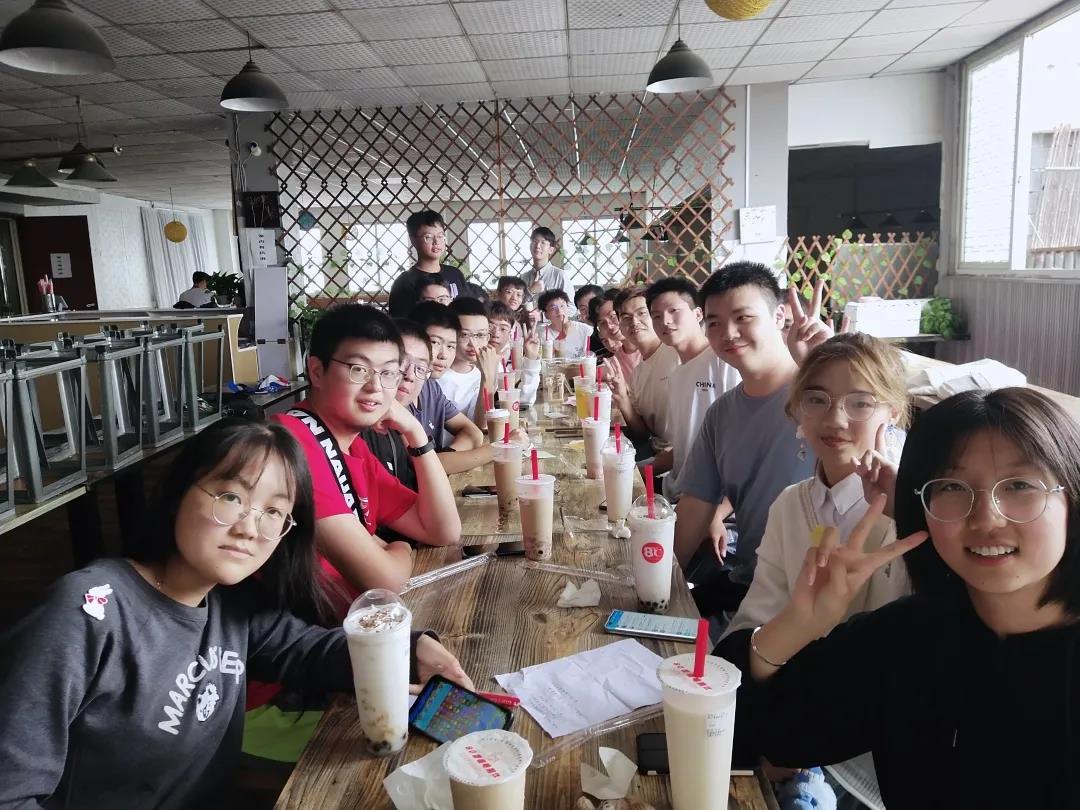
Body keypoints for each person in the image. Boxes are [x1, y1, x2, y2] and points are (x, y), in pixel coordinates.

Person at [0, 418, 472, 808]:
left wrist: (407, 649)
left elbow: (309, 651)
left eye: (274, 512)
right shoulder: (88, 611)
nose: (250, 528)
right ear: (178, 492)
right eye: (231, 498)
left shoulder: (231, 604)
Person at [727, 386, 1080, 808]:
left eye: (1020, 484)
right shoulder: (908, 638)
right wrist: (797, 624)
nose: (986, 518)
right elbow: (746, 729)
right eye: (952, 486)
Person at [716, 333, 911, 807]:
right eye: (817, 399)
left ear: (891, 413)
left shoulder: (914, 513)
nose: (836, 419)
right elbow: (751, 626)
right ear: (797, 411)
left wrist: (904, 512)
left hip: (875, 758)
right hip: (790, 723)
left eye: (860, 402)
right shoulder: (790, 505)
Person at [274, 304, 460, 603]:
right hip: (309, 626)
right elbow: (385, 580)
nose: (376, 387)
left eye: (388, 373)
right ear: (317, 371)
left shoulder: (354, 447)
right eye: (359, 369)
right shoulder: (292, 442)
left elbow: (443, 531)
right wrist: (401, 547)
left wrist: (415, 432)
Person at [674, 264, 828, 621]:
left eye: (743, 317)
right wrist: (660, 583)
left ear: (779, 316)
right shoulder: (721, 415)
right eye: (714, 323)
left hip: (818, 596)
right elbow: (695, 507)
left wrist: (824, 367)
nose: (728, 333)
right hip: (751, 585)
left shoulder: (824, 400)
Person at [645, 277, 740, 499]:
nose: (665, 321)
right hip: (675, 489)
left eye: (673, 311)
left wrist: (719, 510)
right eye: (656, 316)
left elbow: (740, 443)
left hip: (712, 499)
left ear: (698, 314)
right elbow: (684, 448)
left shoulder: (723, 361)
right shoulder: (677, 376)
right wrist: (640, 471)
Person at [603, 286, 679, 469]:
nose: (634, 322)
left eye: (641, 313)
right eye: (626, 318)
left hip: (680, 461)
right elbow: (642, 432)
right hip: (655, 454)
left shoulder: (677, 354)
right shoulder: (637, 374)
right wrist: (622, 398)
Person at [387, 210, 467, 318]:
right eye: (428, 237)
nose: (436, 242)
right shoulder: (404, 283)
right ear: (413, 240)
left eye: (440, 236)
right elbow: (400, 323)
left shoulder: (455, 274)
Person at [434, 297, 499, 430]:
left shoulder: (482, 374)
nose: (473, 344)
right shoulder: (435, 374)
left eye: (480, 335)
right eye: (464, 335)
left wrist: (487, 377)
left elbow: (483, 425)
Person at [487, 300, 541, 407]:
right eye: (490, 327)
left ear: (509, 334)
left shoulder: (500, 367)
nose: (496, 334)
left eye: (503, 329)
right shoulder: (469, 365)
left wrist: (531, 357)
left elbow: (521, 402)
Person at [520, 226, 573, 303]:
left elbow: (571, 307)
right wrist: (530, 292)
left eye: (543, 243)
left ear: (551, 250)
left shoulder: (560, 276)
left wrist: (546, 312)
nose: (537, 246)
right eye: (535, 241)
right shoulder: (523, 277)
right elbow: (516, 306)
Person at [537, 289, 593, 359]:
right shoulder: (541, 334)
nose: (559, 311)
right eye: (553, 308)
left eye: (562, 306)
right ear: (546, 315)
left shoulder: (586, 330)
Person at [595, 289, 639, 374]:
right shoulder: (617, 358)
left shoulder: (652, 347)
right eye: (602, 323)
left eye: (612, 316)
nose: (609, 326)